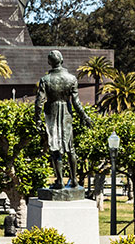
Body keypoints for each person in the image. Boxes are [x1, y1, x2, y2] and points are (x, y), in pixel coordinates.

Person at [34, 50, 92, 189]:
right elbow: (77, 102)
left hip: (52, 113)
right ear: (62, 60)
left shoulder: (45, 80)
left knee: (55, 148)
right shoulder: (71, 79)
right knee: (70, 148)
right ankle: (74, 179)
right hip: (66, 112)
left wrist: (38, 120)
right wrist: (85, 116)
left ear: (49, 62)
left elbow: (39, 102)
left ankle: (60, 181)